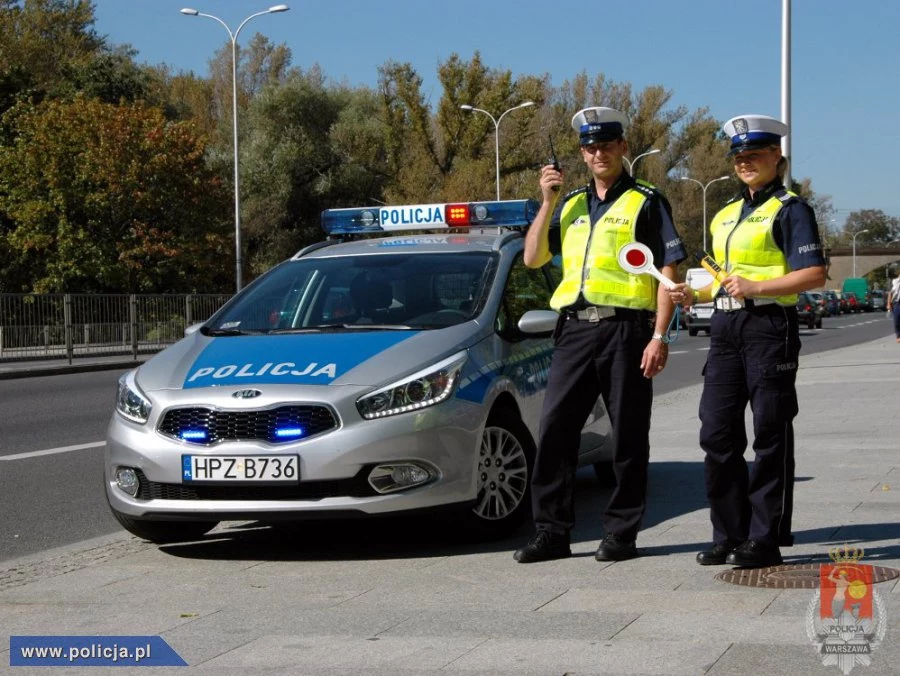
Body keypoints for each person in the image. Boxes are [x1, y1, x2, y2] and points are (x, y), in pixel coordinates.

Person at [514, 106, 686, 564]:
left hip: (626, 330)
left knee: (628, 436)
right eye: (590, 148)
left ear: (623, 148)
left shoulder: (647, 200)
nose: (598, 153)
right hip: (573, 330)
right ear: (582, 155)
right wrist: (546, 201)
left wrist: (660, 336)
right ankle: (552, 532)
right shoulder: (568, 204)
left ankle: (621, 534)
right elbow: (532, 258)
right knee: (555, 433)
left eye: (606, 145)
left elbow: (668, 268)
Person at [667, 114, 826, 568]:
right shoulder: (724, 215)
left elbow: (814, 274)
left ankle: (765, 537)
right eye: (739, 156)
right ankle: (729, 534)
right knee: (716, 434)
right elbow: (721, 279)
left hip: (768, 329)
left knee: (770, 434)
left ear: (777, 157)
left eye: (755, 155)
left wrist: (756, 287)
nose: (746, 163)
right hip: (724, 330)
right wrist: (691, 293)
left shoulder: (791, 209)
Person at [887, 270, 900, 342]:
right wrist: (888, 304)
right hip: (897, 303)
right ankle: (898, 336)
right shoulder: (895, 282)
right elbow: (890, 293)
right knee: (897, 320)